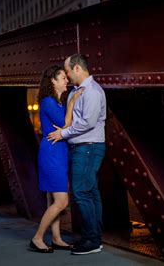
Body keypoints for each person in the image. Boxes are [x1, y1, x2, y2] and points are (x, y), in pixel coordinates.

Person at [47, 54, 106, 255]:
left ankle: (92, 240)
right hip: (82, 148)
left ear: (78, 69)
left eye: (69, 71)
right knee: (90, 192)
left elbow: (87, 123)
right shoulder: (75, 92)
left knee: (81, 192)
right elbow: (70, 120)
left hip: (88, 147)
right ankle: (95, 237)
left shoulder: (92, 91)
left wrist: (63, 133)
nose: (68, 76)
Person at [30, 65, 83, 253]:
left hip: (58, 152)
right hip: (51, 153)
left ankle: (57, 238)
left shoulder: (57, 102)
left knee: (54, 200)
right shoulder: (48, 102)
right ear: (53, 80)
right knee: (61, 201)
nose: (66, 81)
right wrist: (72, 103)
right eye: (63, 78)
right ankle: (37, 238)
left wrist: (67, 113)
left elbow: (67, 127)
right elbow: (66, 124)